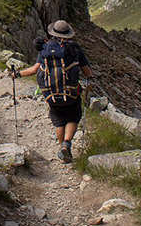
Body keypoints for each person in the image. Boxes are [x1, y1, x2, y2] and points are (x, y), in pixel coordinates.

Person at [10, 19, 92, 163]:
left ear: (53, 33)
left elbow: (34, 70)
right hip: (71, 94)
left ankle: (62, 148)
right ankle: (66, 144)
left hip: (51, 95)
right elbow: (87, 72)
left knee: (59, 120)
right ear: (68, 34)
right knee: (73, 117)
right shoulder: (74, 48)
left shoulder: (44, 49)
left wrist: (17, 74)